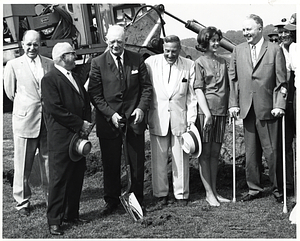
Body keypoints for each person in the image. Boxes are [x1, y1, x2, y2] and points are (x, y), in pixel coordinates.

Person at [88, 25, 152, 216]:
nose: (116, 45)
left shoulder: (137, 59)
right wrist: (111, 115)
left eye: (120, 41)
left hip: (134, 121)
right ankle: (112, 201)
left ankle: (137, 200)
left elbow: (146, 88)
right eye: (112, 42)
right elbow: (95, 94)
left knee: (136, 163)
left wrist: (141, 108)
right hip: (110, 122)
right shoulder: (97, 63)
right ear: (107, 41)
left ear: (125, 40)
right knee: (111, 163)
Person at [228, 14, 287, 203]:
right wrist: (234, 103)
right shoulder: (238, 50)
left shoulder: (275, 49)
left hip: (268, 108)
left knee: (272, 151)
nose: (246, 33)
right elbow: (234, 79)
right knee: (251, 152)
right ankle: (254, 188)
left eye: (249, 29)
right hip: (247, 109)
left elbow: (281, 82)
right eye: (244, 30)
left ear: (260, 28)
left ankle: (278, 188)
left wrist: (279, 105)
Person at [41, 42, 92, 235]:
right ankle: (55, 220)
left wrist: (86, 123)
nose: (76, 55)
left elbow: (84, 101)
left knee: (76, 176)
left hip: (78, 136)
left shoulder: (75, 76)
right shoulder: (50, 79)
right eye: (72, 53)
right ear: (62, 57)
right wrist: (80, 123)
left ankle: (72, 214)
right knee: (59, 179)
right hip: (62, 138)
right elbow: (55, 109)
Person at [3, 30, 53, 217]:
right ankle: (22, 201)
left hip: (47, 121)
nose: (32, 48)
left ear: (40, 45)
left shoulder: (49, 63)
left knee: (49, 162)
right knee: (23, 162)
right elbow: (10, 92)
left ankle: (51, 198)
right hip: (25, 120)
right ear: (22, 45)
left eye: (36, 44)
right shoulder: (13, 65)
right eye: (28, 44)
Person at [145, 35, 197, 207]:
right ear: (163, 49)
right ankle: (161, 195)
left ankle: (181, 194)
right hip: (158, 118)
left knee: (180, 158)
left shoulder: (189, 65)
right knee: (158, 159)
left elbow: (191, 96)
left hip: (179, 119)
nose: (170, 54)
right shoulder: (151, 63)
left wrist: (191, 119)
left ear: (179, 49)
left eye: (174, 51)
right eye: (167, 50)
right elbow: (146, 91)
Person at [194, 27, 230, 207]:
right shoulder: (199, 62)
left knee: (215, 153)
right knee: (205, 154)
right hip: (206, 114)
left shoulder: (223, 62)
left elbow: (229, 88)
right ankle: (208, 193)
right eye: (212, 41)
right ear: (204, 42)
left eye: (217, 40)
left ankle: (215, 191)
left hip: (221, 112)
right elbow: (198, 89)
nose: (216, 43)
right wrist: (207, 113)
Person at [277, 13, 297, 197]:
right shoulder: (281, 50)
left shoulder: (295, 48)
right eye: (282, 32)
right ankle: (289, 184)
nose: (284, 35)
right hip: (288, 101)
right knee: (286, 145)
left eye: (289, 32)